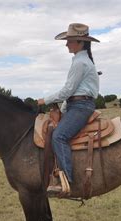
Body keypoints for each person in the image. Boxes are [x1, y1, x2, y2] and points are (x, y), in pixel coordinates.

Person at [37, 23, 100, 196]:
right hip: (76, 105)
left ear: (80, 42)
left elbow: (67, 91)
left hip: (81, 107)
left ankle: (66, 180)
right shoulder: (81, 61)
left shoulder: (80, 63)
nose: (66, 44)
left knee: (59, 136)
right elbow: (72, 93)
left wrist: (44, 100)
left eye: (70, 41)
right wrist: (64, 109)